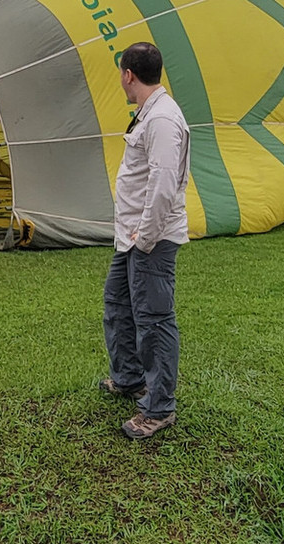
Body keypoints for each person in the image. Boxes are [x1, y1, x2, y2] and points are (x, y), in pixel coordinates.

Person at [99, 42, 191, 440]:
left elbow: (164, 183)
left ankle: (158, 408)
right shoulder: (147, 114)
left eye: (121, 73)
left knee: (153, 320)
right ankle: (128, 378)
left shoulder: (164, 120)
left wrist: (146, 239)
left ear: (128, 74)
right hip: (130, 238)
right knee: (118, 306)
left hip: (149, 240)